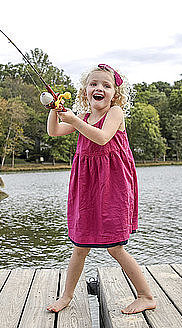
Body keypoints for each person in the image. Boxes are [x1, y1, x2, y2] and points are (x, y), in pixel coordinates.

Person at [46, 64, 156, 314]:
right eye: (94, 84)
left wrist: (73, 118)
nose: (99, 88)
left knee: (114, 246)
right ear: (85, 90)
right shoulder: (84, 118)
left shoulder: (115, 113)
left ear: (115, 94)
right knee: (80, 245)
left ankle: (145, 295)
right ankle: (66, 296)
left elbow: (102, 138)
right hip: (87, 188)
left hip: (113, 186)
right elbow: (54, 132)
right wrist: (54, 111)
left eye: (106, 85)